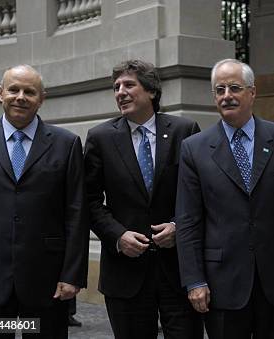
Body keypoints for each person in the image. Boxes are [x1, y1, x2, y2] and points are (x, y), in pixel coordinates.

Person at [175, 58, 274, 339]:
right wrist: (194, 281)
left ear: (252, 92)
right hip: (221, 282)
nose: (227, 96)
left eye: (234, 88)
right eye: (220, 89)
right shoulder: (194, 148)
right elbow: (188, 221)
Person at [84, 60, 203, 339]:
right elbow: (88, 200)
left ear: (151, 91)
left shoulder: (184, 131)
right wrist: (118, 235)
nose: (120, 92)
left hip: (179, 271)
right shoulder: (100, 138)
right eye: (116, 87)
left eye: (129, 85)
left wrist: (177, 226)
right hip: (125, 273)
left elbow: (201, 195)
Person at [0, 64, 88, 339]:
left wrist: (72, 274)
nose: (20, 97)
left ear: (42, 98)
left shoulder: (66, 143)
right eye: (13, 89)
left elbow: (76, 211)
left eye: (29, 91)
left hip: (46, 280)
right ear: (0, 94)